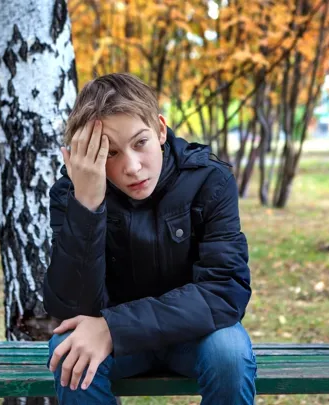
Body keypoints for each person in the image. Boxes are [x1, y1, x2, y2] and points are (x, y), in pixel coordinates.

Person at [43, 73, 256, 404]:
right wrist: (87, 206)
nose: (132, 166)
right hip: (117, 347)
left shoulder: (210, 181)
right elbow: (71, 308)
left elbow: (225, 290)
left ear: (160, 129)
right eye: (110, 153)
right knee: (68, 349)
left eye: (139, 142)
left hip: (195, 335)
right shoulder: (72, 194)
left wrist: (114, 327)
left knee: (229, 351)